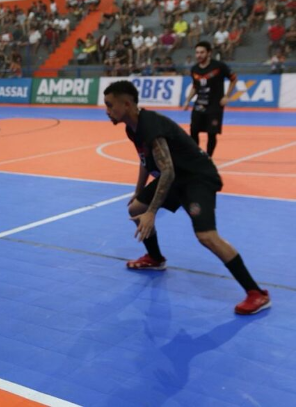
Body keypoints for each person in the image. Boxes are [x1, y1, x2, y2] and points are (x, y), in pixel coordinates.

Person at [102, 80, 270, 315]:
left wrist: (152, 212)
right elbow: (144, 160)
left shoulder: (150, 125)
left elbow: (168, 171)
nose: (107, 111)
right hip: (175, 177)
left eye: (110, 106)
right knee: (135, 208)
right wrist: (139, 192)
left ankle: (256, 293)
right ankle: (155, 257)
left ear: (127, 104)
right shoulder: (132, 127)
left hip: (196, 178)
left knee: (206, 236)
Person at [183, 41, 237, 157]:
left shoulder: (219, 66)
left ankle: (208, 158)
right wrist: (188, 100)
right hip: (199, 105)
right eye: (197, 53)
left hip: (214, 106)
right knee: (193, 131)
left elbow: (233, 78)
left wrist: (227, 96)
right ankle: (196, 156)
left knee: (211, 134)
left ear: (209, 53)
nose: (199, 55)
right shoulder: (194, 69)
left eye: (202, 52)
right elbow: (195, 86)